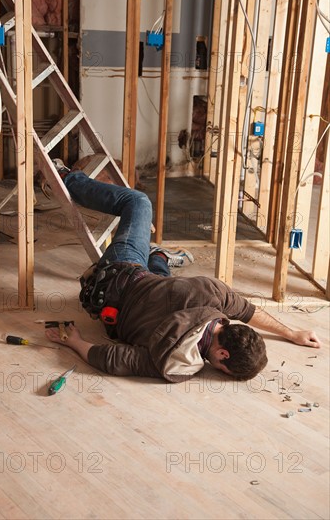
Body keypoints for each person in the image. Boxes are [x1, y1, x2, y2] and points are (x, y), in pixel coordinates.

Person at [45, 160, 321, 382]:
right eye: (224, 372)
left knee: (139, 203)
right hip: (112, 303)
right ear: (223, 354)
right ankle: (159, 258)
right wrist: (76, 343)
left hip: (121, 272)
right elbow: (115, 359)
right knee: (165, 287)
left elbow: (249, 311)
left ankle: (67, 177)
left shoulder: (212, 294)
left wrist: (292, 332)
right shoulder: (174, 365)